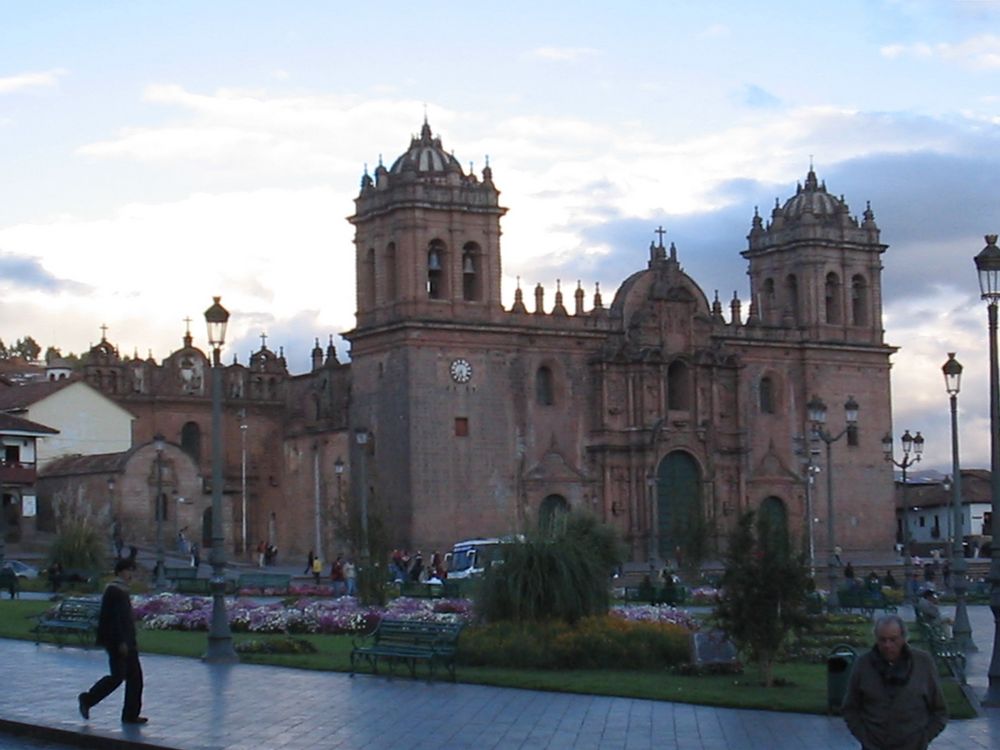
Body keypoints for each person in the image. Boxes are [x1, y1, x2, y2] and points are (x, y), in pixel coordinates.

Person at [842, 614, 946, 750]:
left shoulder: (923, 662)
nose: (887, 645)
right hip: (874, 744)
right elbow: (850, 708)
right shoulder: (863, 665)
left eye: (893, 639)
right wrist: (864, 737)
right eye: (882, 640)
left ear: (903, 638)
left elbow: (940, 710)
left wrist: (923, 738)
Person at [78, 559, 147, 725]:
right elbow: (114, 619)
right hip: (118, 642)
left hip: (128, 641)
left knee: (135, 678)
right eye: (129, 570)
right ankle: (88, 699)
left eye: (133, 571)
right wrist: (121, 641)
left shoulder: (121, 590)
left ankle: (130, 715)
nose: (131, 574)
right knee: (118, 676)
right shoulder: (114, 590)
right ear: (120, 571)